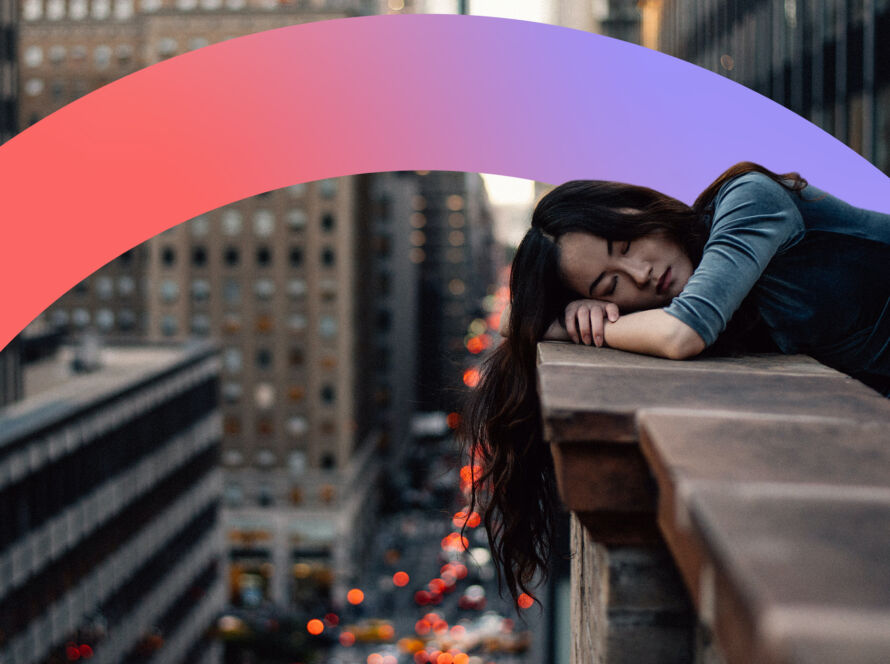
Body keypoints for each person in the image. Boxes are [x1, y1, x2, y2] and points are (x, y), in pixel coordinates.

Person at [459, 161, 890, 603]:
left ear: (641, 206)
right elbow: (516, 320)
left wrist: (579, 329)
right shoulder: (713, 294)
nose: (641, 274)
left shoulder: (751, 200)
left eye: (625, 245)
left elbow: (684, 333)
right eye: (610, 286)